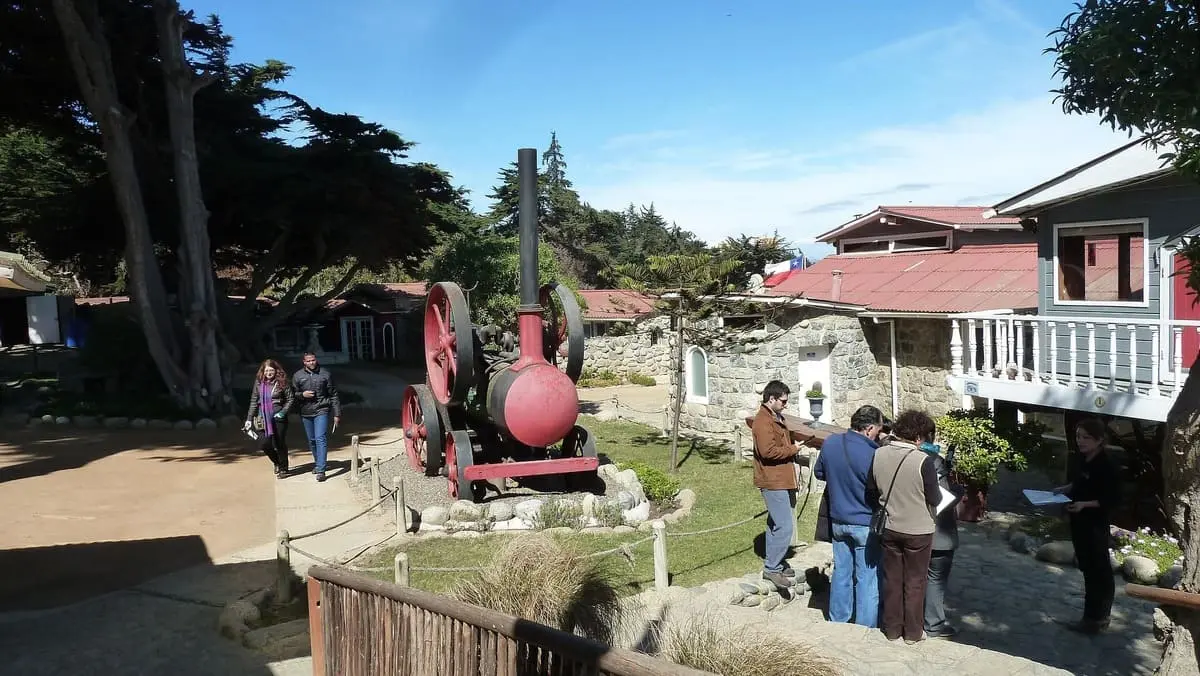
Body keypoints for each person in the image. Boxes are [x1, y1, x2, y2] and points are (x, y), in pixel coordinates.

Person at [869, 409, 941, 644]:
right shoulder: (923, 462)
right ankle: (912, 632)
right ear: (919, 437)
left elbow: (871, 490)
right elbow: (936, 498)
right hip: (918, 529)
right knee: (915, 581)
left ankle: (891, 629)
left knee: (892, 579)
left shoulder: (878, 454)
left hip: (890, 526)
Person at [814, 405, 885, 627]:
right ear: (869, 428)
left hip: (838, 521)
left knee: (841, 573)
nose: (878, 435)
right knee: (866, 578)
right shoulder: (873, 454)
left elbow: (819, 472)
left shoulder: (831, 443)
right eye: (878, 431)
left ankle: (838, 621)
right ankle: (864, 627)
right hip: (864, 523)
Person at [1053, 417, 1120, 634]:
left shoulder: (1106, 465)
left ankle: (1098, 618)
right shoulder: (1084, 459)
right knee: (1088, 570)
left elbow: (1111, 498)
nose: (1080, 441)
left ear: (1099, 440)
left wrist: (1084, 504)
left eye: (1086, 437)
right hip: (1079, 523)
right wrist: (1066, 489)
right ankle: (1090, 617)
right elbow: (1081, 482)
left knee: (1098, 571)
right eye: (1078, 437)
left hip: (1095, 525)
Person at [751, 380, 801, 589]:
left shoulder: (774, 417)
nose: (785, 404)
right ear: (771, 399)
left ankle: (776, 563)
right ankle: (771, 568)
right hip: (773, 481)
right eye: (783, 401)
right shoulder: (763, 422)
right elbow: (768, 452)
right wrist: (793, 449)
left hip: (781, 478)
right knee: (784, 526)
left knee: (775, 524)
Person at [923, 439, 961, 639]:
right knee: (935, 580)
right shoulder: (935, 463)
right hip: (939, 534)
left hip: (912, 531)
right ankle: (933, 624)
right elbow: (944, 501)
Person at [292, 352, 341, 482]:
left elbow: (333, 395)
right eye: (308, 361)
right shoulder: (298, 376)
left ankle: (321, 469)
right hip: (306, 412)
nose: (311, 363)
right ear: (304, 362)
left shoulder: (325, 374)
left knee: (320, 438)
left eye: (313, 360)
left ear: (316, 360)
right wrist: (302, 395)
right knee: (312, 440)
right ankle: (318, 462)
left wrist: (337, 413)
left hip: (322, 409)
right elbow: (293, 394)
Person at [244, 359, 295, 479]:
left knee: (280, 443)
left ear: (276, 370)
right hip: (262, 417)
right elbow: (253, 401)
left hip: (278, 417)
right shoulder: (258, 383)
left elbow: (290, 399)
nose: (269, 372)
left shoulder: (282, 382)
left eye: (271, 370)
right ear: (263, 371)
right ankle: (276, 461)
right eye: (266, 370)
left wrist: (283, 412)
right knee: (264, 444)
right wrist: (249, 419)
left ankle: (283, 469)